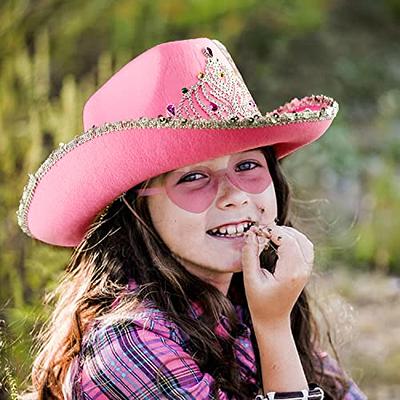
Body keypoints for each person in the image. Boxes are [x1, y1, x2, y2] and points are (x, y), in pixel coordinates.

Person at [17, 38, 367, 400]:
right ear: (138, 212)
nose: (235, 196)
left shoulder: (243, 305)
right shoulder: (129, 346)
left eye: (247, 165)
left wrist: (274, 321)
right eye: (193, 178)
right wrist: (274, 329)